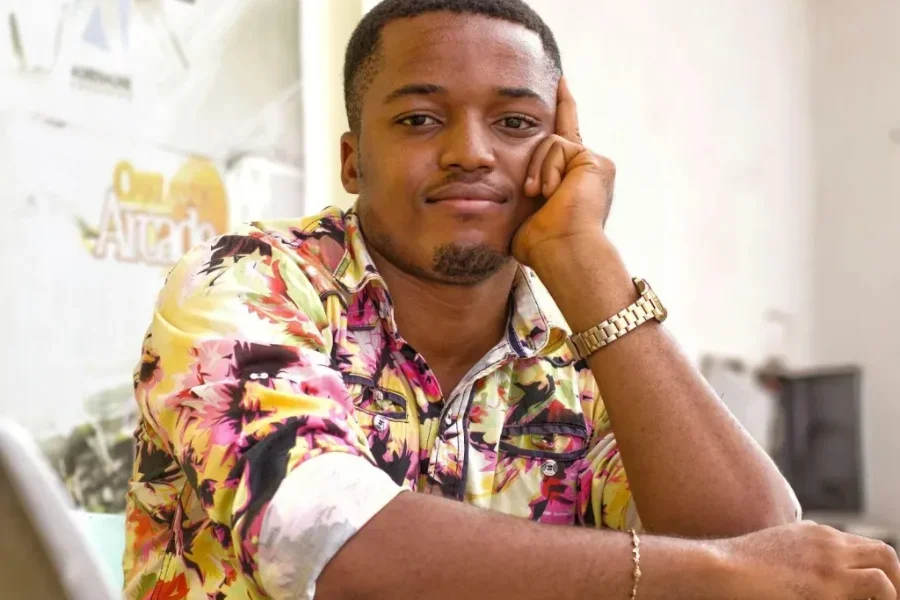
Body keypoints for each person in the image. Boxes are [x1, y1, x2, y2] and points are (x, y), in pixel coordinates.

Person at [123, 0, 900, 598]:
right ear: (353, 161)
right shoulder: (245, 284)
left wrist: (585, 260)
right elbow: (329, 541)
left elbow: (764, 550)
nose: (471, 152)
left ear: (560, 153)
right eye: (420, 119)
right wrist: (706, 573)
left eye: (516, 122)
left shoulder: (579, 371)